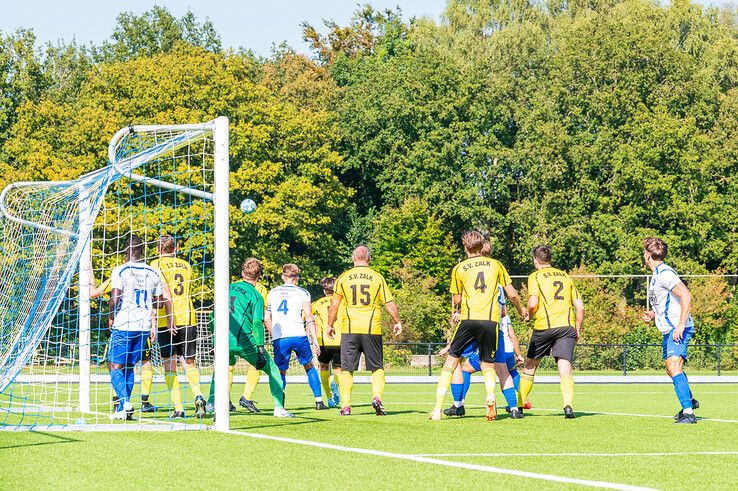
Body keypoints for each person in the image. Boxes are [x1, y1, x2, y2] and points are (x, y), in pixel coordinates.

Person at [430, 231, 527, 421]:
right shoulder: (496, 265)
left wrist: (457, 305)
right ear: (482, 245)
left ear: (465, 247)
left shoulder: (459, 268)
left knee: (452, 362)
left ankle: (437, 409)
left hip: (468, 319)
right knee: (488, 364)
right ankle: (490, 398)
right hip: (491, 321)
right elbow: (512, 293)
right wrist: (521, 309)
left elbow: (456, 298)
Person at [205, 258, 291, 417]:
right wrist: (260, 348)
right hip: (243, 340)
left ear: (242, 272)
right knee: (272, 368)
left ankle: (211, 403)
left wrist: (213, 342)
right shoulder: (257, 295)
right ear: (259, 276)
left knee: (222, 367)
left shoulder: (225, 288)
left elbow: (212, 316)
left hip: (222, 338)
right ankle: (279, 408)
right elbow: (257, 323)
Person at [327, 245, 402, 416]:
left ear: (353, 258)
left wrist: (330, 324)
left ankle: (345, 406)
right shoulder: (377, 277)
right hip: (372, 328)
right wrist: (397, 321)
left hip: (349, 329)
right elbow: (389, 303)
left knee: (347, 369)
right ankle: (377, 397)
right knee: (377, 367)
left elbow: (334, 305)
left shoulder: (343, 278)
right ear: (369, 259)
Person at [107, 235, 173, 420]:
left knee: (113, 364)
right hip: (144, 325)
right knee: (129, 366)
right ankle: (123, 409)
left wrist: (110, 316)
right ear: (141, 251)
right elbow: (159, 302)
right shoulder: (153, 272)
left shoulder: (121, 270)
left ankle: (125, 401)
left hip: (125, 323)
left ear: (126, 251)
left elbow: (115, 298)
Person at [517, 245, 585, 419]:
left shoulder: (536, 276)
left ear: (535, 260)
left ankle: (519, 405)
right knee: (564, 366)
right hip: (566, 327)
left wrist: (528, 316)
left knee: (530, 365)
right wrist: (577, 329)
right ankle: (568, 405)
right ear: (550, 259)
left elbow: (532, 304)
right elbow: (580, 307)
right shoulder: (565, 276)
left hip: (544, 327)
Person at [642, 237, 699, 424]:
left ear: (648, 256)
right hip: (670, 329)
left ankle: (689, 413)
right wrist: (654, 315)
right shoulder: (658, 274)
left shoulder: (665, 274)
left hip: (678, 329)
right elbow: (669, 303)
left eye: (644, 253)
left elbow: (686, 295)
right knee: (670, 369)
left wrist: (681, 324)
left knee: (674, 367)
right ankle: (689, 400)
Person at [150, 235, 206, 419]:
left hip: (168, 320)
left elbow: (163, 294)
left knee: (169, 364)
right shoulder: (186, 265)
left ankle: (179, 407)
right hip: (189, 318)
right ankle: (198, 395)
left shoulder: (155, 264)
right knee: (188, 362)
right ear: (175, 248)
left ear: (158, 249)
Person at [265, 264, 326, 410]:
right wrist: (315, 340)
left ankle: (280, 403)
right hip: (299, 335)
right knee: (309, 366)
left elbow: (267, 318)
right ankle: (319, 401)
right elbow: (309, 317)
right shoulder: (303, 292)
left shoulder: (272, 292)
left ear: (282, 276)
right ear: (297, 277)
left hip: (281, 337)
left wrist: (275, 337)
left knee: (280, 370)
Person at [312, 276, 343, 408]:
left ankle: (329, 398)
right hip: (340, 340)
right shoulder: (342, 302)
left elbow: (305, 316)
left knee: (323, 367)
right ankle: (335, 382)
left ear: (324, 290)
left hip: (323, 340)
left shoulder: (318, 303)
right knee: (339, 369)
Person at [239, 279, 269, 413]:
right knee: (261, 364)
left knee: (227, 365)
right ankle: (247, 396)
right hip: (249, 334)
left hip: (230, 331)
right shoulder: (261, 290)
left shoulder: (235, 286)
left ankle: (220, 400)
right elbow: (263, 317)